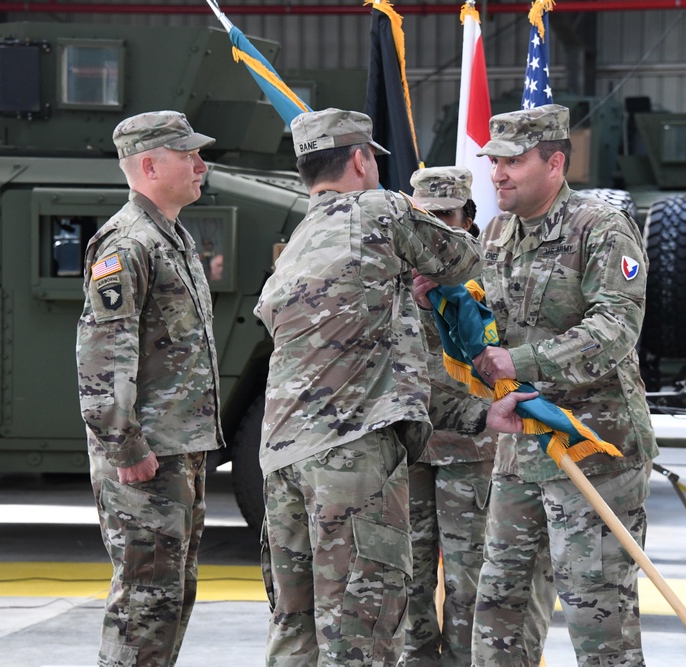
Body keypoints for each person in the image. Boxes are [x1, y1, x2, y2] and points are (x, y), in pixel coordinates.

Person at [414, 104, 658, 667]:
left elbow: (617, 326)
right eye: (492, 161)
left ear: (554, 163)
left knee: (597, 613)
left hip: (593, 447)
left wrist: (521, 360)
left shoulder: (598, 227)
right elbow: (480, 316)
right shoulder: (497, 233)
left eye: (512, 161)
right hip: (520, 449)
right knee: (498, 607)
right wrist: (443, 301)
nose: (496, 173)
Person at [252, 108, 485, 667]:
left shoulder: (301, 237)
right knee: (362, 631)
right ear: (359, 159)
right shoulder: (378, 210)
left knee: (297, 627)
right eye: (373, 161)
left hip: (282, 460)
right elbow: (461, 256)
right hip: (350, 458)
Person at [75, 110, 225, 667]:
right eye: (189, 156)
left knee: (171, 595)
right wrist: (125, 446)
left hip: (177, 447)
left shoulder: (173, 237)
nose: (201, 166)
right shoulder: (127, 243)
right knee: (144, 600)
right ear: (149, 165)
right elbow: (101, 354)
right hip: (147, 455)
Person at [398, 166, 494, 667]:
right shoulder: (394, 271)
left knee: (467, 579)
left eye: (447, 218)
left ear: (469, 219)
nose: (436, 230)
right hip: (409, 445)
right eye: (426, 219)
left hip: (469, 446)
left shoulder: (489, 275)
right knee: (407, 575)